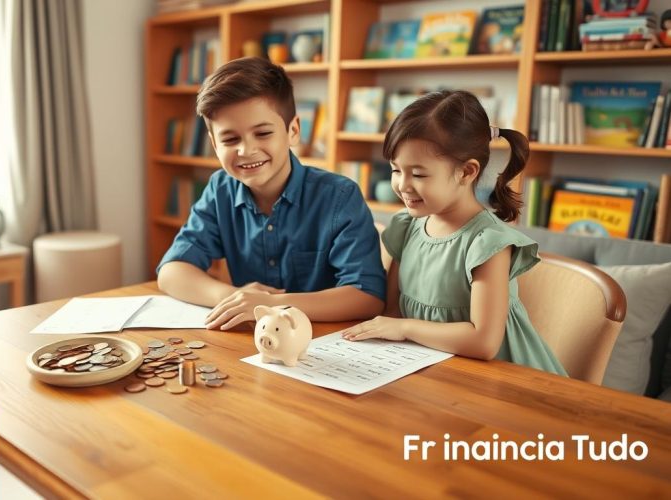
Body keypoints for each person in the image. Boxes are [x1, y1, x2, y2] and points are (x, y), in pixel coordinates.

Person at [340, 90, 566, 376]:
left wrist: (405, 328)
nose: (402, 185)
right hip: (433, 369)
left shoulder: (488, 243)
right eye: (396, 170)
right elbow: (392, 312)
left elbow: (484, 342)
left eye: (419, 174)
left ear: (467, 172)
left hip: (504, 376)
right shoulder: (407, 226)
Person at [157, 57, 386, 331]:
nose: (246, 150)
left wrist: (270, 304)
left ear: (293, 131)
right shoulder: (220, 190)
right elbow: (171, 271)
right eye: (230, 139)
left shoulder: (339, 196)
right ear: (214, 145)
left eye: (263, 133)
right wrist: (233, 297)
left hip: (324, 345)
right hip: (254, 343)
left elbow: (367, 297)